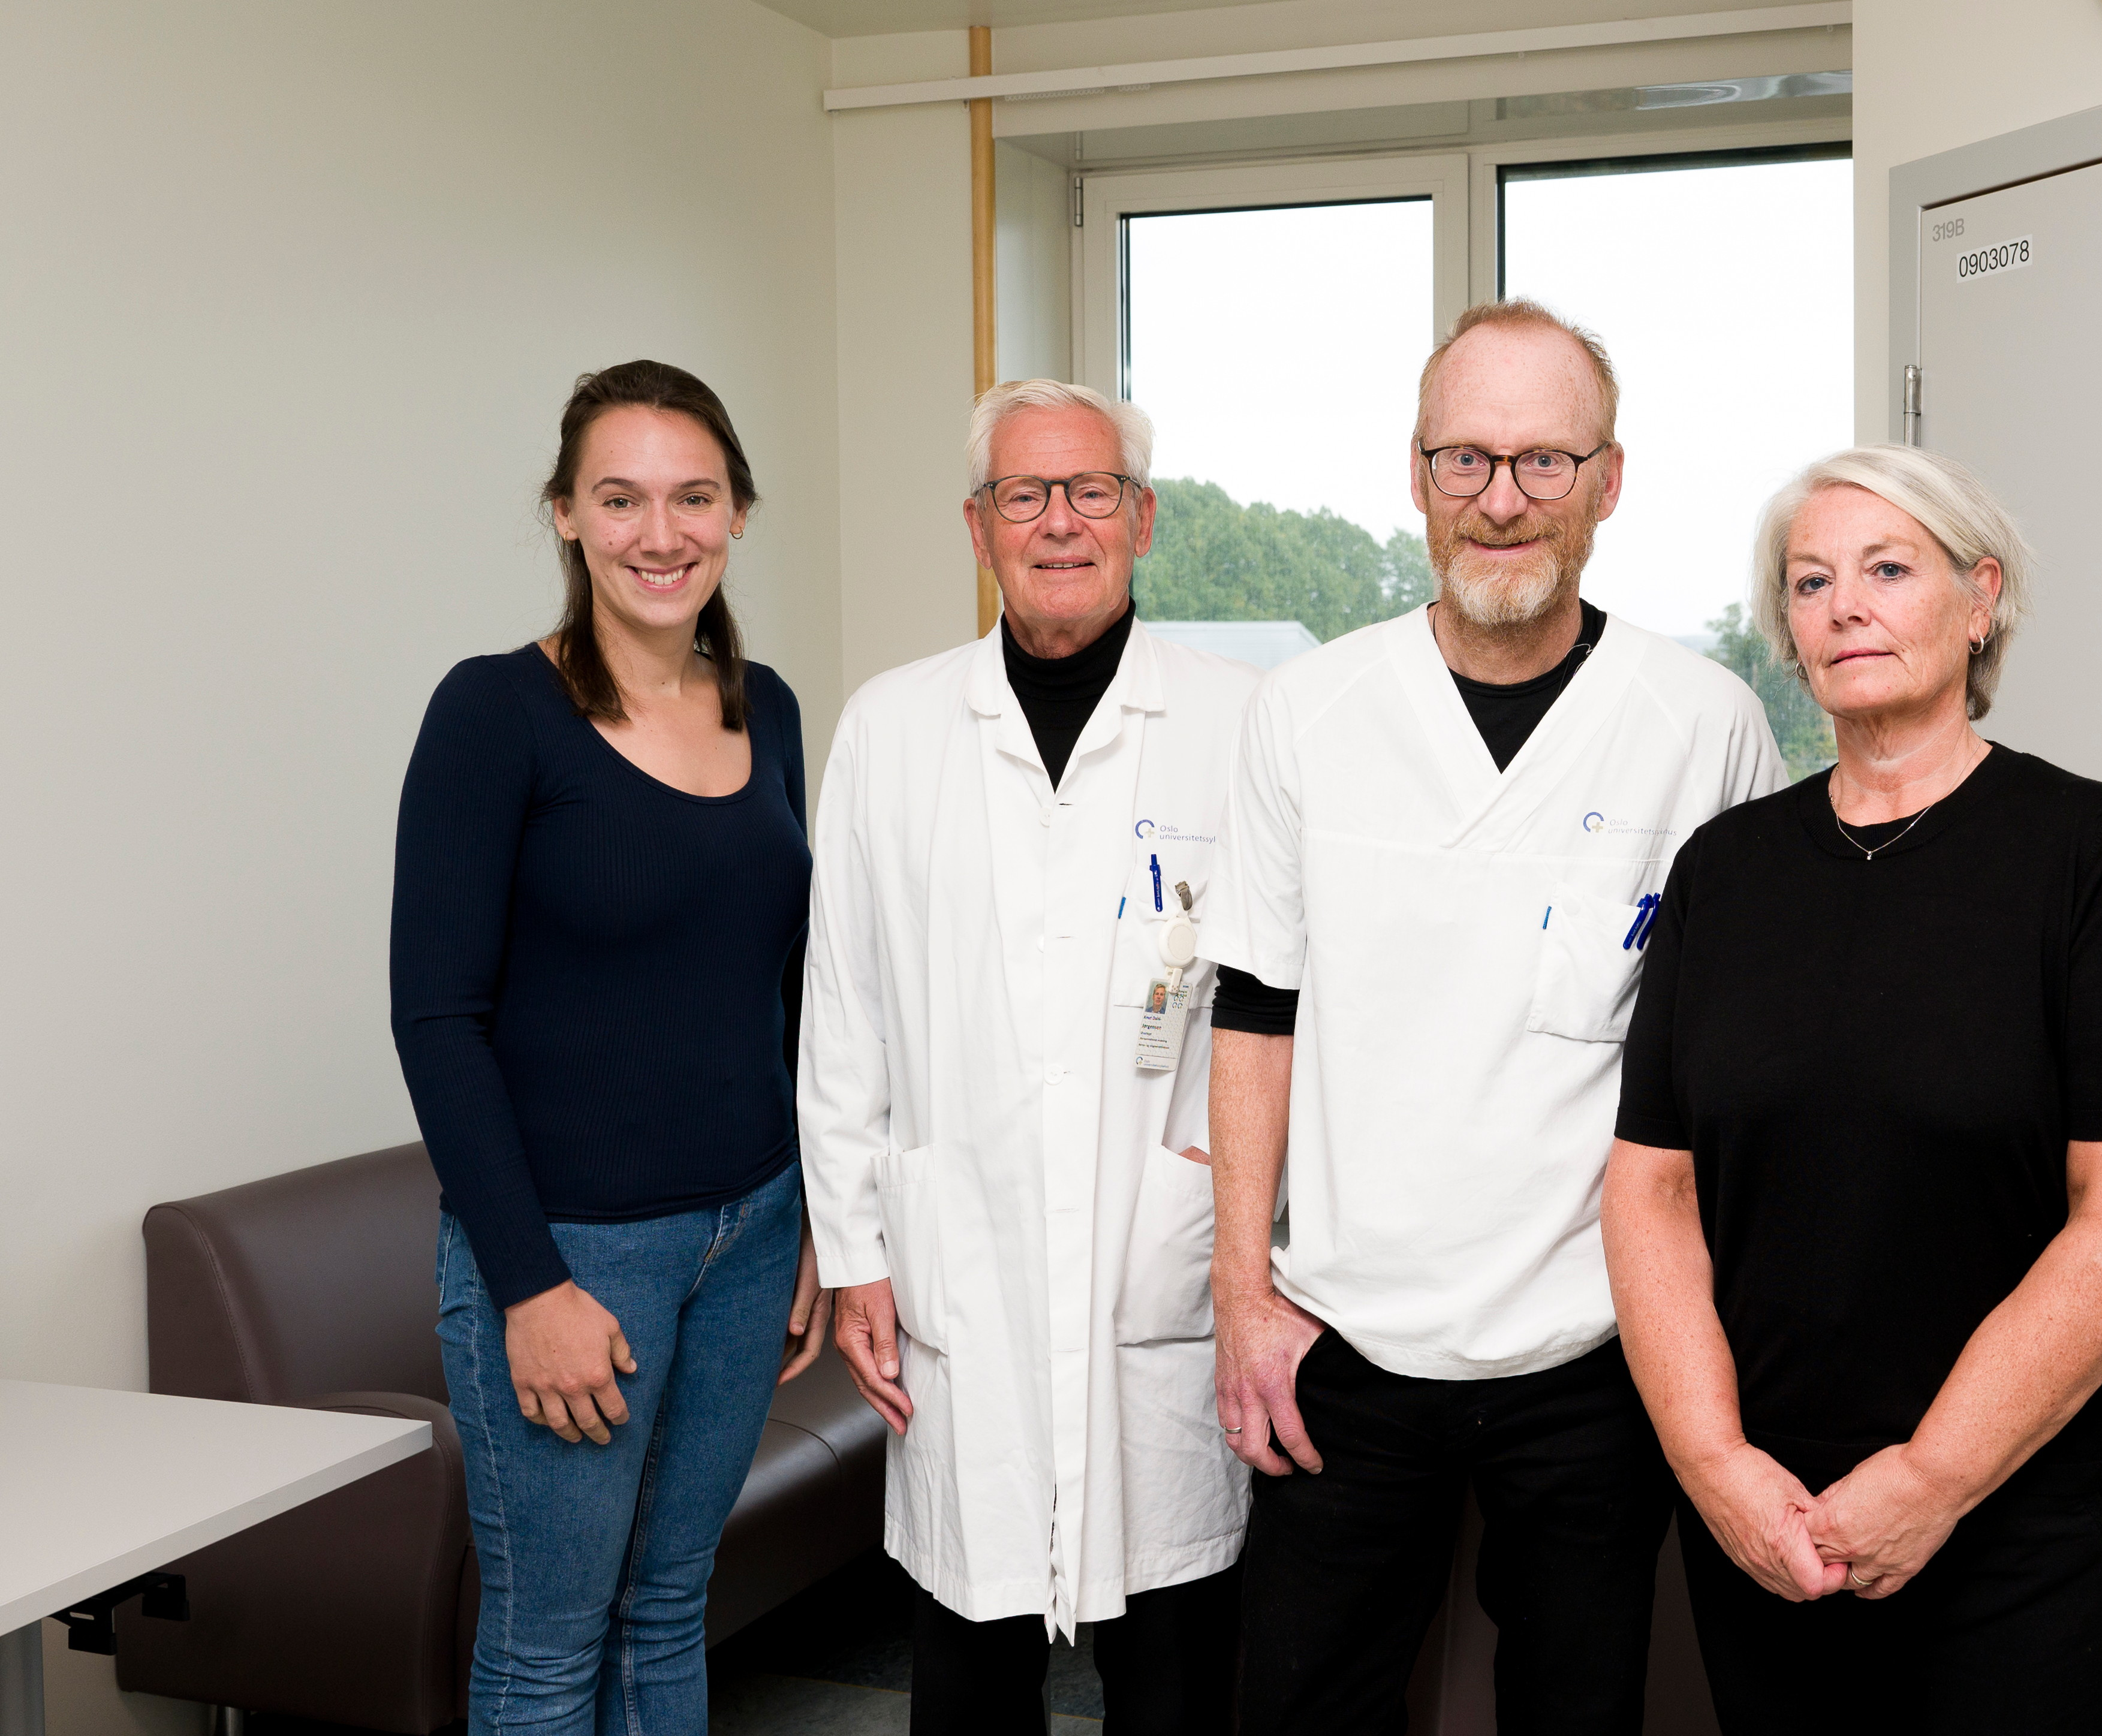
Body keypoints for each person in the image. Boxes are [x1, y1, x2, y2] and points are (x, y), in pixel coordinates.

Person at [1200, 299, 1785, 1734]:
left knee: (1577, 1705)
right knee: (1291, 1701)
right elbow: (1253, 1014)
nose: (1500, 500)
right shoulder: (1308, 710)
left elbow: (1745, 1053)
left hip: (1598, 1342)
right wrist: (1241, 1297)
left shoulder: (1701, 722)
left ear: (1606, 479)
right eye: (1463, 460)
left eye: (1539, 461)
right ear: (1415, 476)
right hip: (1343, 1328)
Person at [1602, 445, 2102, 1735]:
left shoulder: (2087, 849)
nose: (1844, 605)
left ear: (1977, 597)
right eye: (1810, 582)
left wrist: (1934, 1476)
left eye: (1887, 568)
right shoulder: (1725, 872)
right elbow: (1649, 1187)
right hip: (1769, 1512)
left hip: (2024, 1522)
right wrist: (1714, 1466)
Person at [798, 379, 1260, 1734]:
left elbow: (1284, 1007)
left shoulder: (1241, 723)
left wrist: (1250, 1225)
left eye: (1090, 491)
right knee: (968, 1660)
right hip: (966, 1265)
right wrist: (858, 1250)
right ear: (976, 524)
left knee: (1173, 1668)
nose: (1059, 522)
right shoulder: (891, 726)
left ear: (1142, 517)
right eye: (1024, 494)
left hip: (1160, 1253)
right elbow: (846, 1005)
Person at [391, 360, 829, 1734]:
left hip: (751, 1235)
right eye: (621, 497)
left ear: (738, 512)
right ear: (567, 516)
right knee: (545, 1640)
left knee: (668, 1603)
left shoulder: (769, 705)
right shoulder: (493, 712)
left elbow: (793, 988)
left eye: (692, 495)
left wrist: (817, 1213)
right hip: (574, 1254)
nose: (660, 531)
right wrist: (528, 1285)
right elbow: (435, 1017)